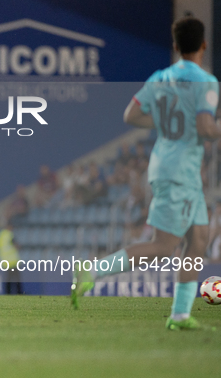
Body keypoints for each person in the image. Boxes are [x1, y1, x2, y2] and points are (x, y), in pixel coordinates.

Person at [71, 17, 219, 331]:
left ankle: (180, 315)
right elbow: (207, 128)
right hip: (179, 171)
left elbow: (131, 115)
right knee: (164, 246)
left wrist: (166, 123)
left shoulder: (160, 77)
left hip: (171, 167)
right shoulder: (206, 81)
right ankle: (93, 271)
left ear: (176, 46)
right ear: (203, 45)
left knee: (199, 239)